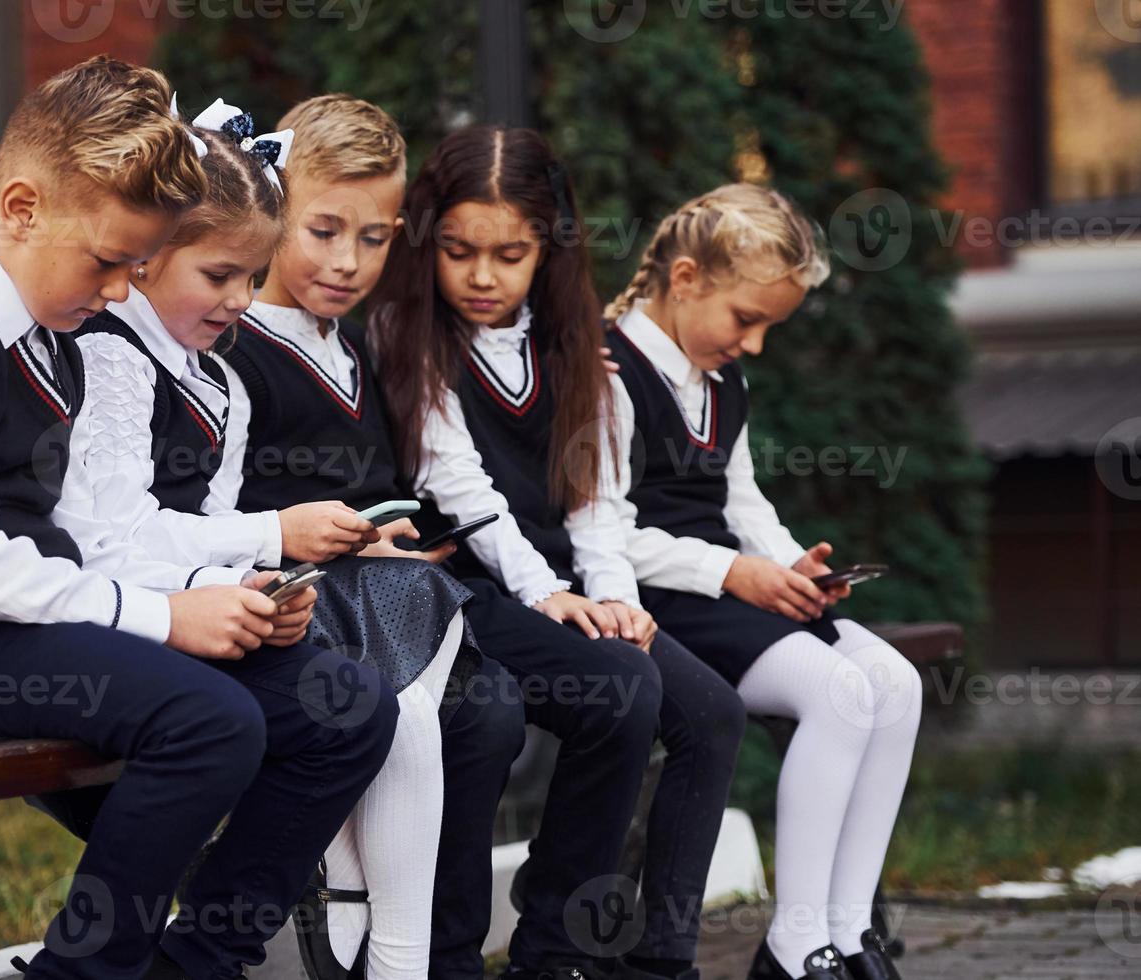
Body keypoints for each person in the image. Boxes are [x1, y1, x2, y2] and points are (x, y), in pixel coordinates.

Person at [0, 58, 398, 980]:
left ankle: (196, 963)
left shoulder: (54, 336)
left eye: (135, 266)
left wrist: (225, 591)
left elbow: (104, 529)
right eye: (109, 262)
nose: (124, 290)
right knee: (208, 720)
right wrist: (169, 618)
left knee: (346, 709)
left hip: (40, 623)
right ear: (20, 207)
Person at [55, 96, 484, 980]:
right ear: (147, 258)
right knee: (333, 702)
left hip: (193, 601)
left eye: (252, 280)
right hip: (100, 617)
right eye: (221, 277)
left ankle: (241, 953)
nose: (242, 302)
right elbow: (105, 534)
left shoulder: (217, 378)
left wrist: (260, 577)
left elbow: (207, 522)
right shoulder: (109, 355)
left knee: (373, 691)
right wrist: (272, 539)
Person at [370, 126, 748, 980]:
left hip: (560, 583)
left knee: (704, 711)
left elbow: (596, 504)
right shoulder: (405, 335)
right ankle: (551, 947)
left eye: (511, 254)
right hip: (464, 586)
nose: (481, 276)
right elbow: (464, 492)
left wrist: (621, 604)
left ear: (549, 248)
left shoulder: (579, 348)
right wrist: (550, 597)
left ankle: (623, 953)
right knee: (616, 689)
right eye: (460, 251)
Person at [601, 183, 922, 980]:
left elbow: (742, 501)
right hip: (666, 597)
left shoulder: (722, 382)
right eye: (746, 320)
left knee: (897, 681)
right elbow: (597, 532)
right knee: (838, 692)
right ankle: (794, 943)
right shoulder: (609, 371)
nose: (753, 345)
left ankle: (848, 934)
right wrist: (734, 573)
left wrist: (788, 566)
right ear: (684, 281)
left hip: (735, 590)